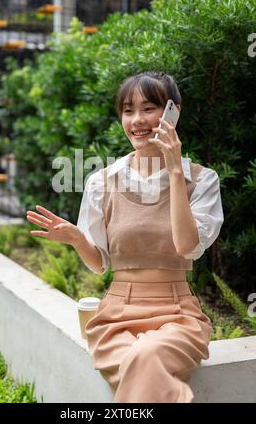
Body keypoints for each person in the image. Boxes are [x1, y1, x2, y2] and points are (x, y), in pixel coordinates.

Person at [26, 71, 224, 403]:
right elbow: (100, 264)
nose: (137, 120)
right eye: (127, 110)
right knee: (142, 359)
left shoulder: (201, 180)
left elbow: (187, 247)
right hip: (115, 316)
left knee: (146, 355)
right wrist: (77, 239)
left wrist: (175, 169)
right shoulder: (103, 181)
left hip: (177, 313)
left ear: (173, 112)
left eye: (149, 108)